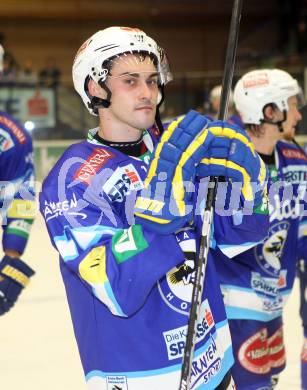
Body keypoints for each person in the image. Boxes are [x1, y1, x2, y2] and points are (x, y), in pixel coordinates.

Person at [39, 26, 268, 390]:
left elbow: (235, 240)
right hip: (145, 374)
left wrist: (251, 191)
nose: (148, 93)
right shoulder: (73, 177)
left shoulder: (177, 149)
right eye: (130, 81)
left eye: (152, 80)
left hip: (214, 359)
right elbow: (110, 284)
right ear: (96, 88)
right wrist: (155, 219)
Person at [213, 68, 306, 390]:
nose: (298, 112)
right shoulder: (225, 163)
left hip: (275, 300)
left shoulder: (294, 159)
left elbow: (302, 228)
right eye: (291, 105)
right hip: (234, 304)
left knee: (270, 379)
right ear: (270, 112)